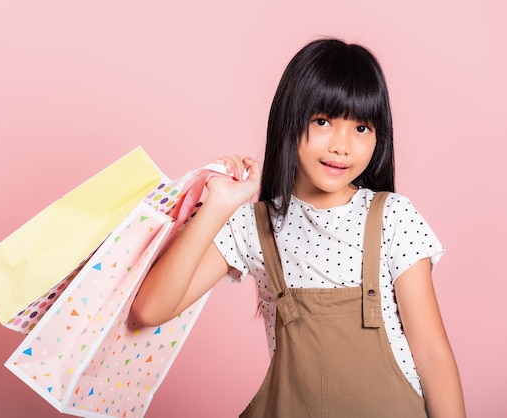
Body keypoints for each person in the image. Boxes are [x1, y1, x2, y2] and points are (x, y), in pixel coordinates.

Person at [131, 38, 465, 417]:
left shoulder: (393, 218)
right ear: (290, 121)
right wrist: (219, 206)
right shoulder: (252, 226)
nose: (342, 146)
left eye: (362, 127)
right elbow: (150, 310)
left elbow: (433, 354)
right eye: (323, 122)